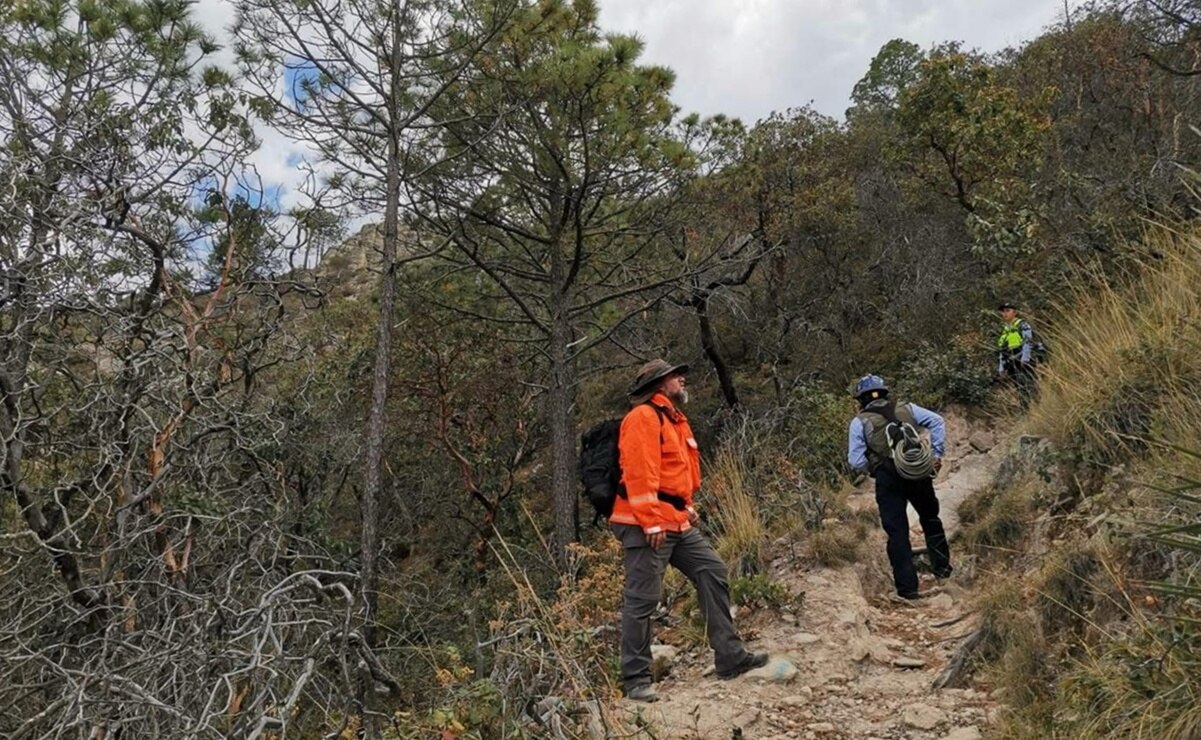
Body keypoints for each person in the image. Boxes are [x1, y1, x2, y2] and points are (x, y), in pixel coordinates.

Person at [610, 359, 768, 702]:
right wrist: (650, 519)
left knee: (712, 570)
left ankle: (729, 657)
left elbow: (675, 476)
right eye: (674, 376)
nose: (682, 379)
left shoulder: (674, 419)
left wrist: (686, 507)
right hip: (644, 523)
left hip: (674, 518)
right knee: (642, 600)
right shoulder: (642, 418)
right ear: (658, 384)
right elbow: (639, 474)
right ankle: (635, 680)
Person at [846, 374, 953, 600]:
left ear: (861, 400)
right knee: (931, 519)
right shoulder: (908, 408)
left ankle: (908, 590)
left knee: (897, 532)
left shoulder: (859, 422)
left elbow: (855, 461)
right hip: (918, 472)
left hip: (888, 479)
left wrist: (875, 468)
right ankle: (943, 572)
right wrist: (936, 454)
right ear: (885, 392)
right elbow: (937, 421)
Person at [996, 301, 1036, 405]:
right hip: (1012, 362)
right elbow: (1002, 350)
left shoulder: (1023, 325)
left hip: (1023, 359)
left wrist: (1025, 358)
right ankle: (1025, 408)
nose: (1005, 314)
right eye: (1003, 312)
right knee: (1019, 387)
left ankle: (1035, 406)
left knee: (1029, 384)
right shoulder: (1005, 329)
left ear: (1015, 312)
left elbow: (1028, 342)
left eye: (1008, 311)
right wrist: (1001, 368)